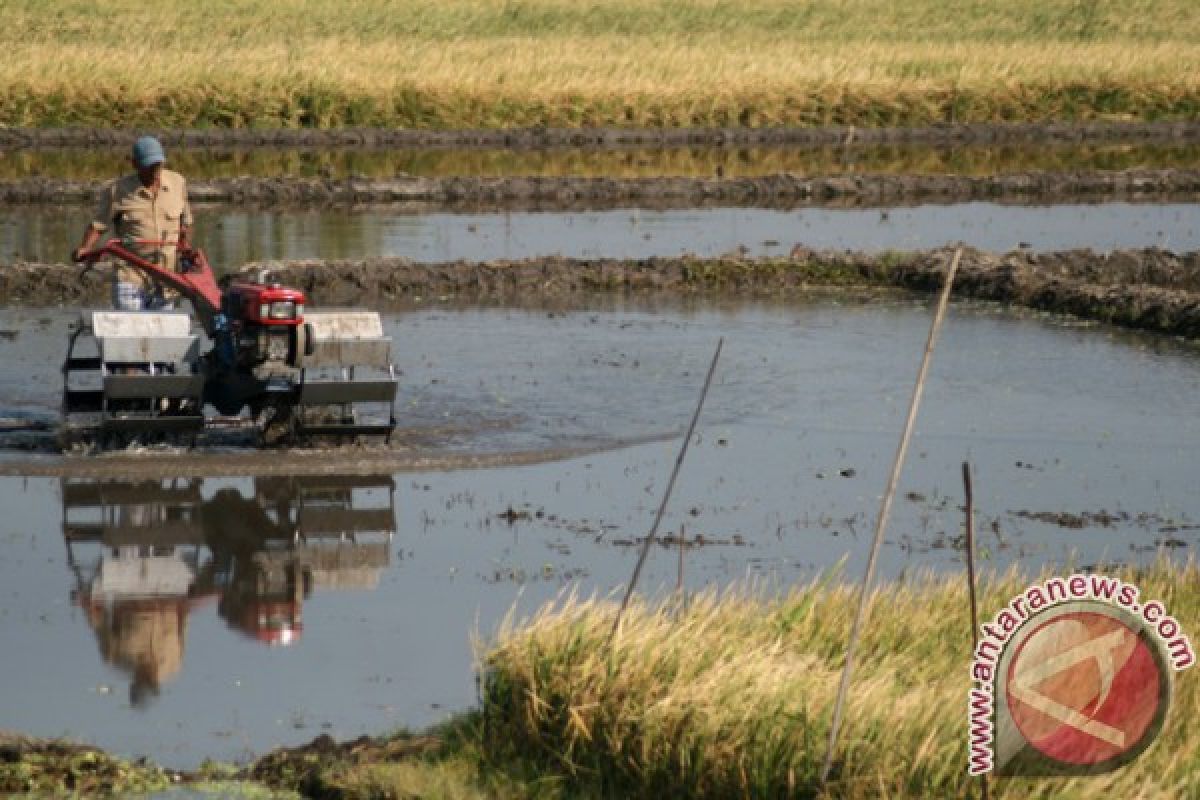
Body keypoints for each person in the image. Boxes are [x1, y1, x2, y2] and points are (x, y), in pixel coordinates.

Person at [73, 135, 193, 311]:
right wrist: (85, 249)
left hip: (167, 278)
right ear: (135, 165)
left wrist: (186, 247)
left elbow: (186, 222)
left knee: (162, 332)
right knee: (132, 329)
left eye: (157, 165)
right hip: (131, 276)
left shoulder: (177, 183)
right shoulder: (117, 190)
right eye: (149, 166)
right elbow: (98, 226)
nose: (154, 171)